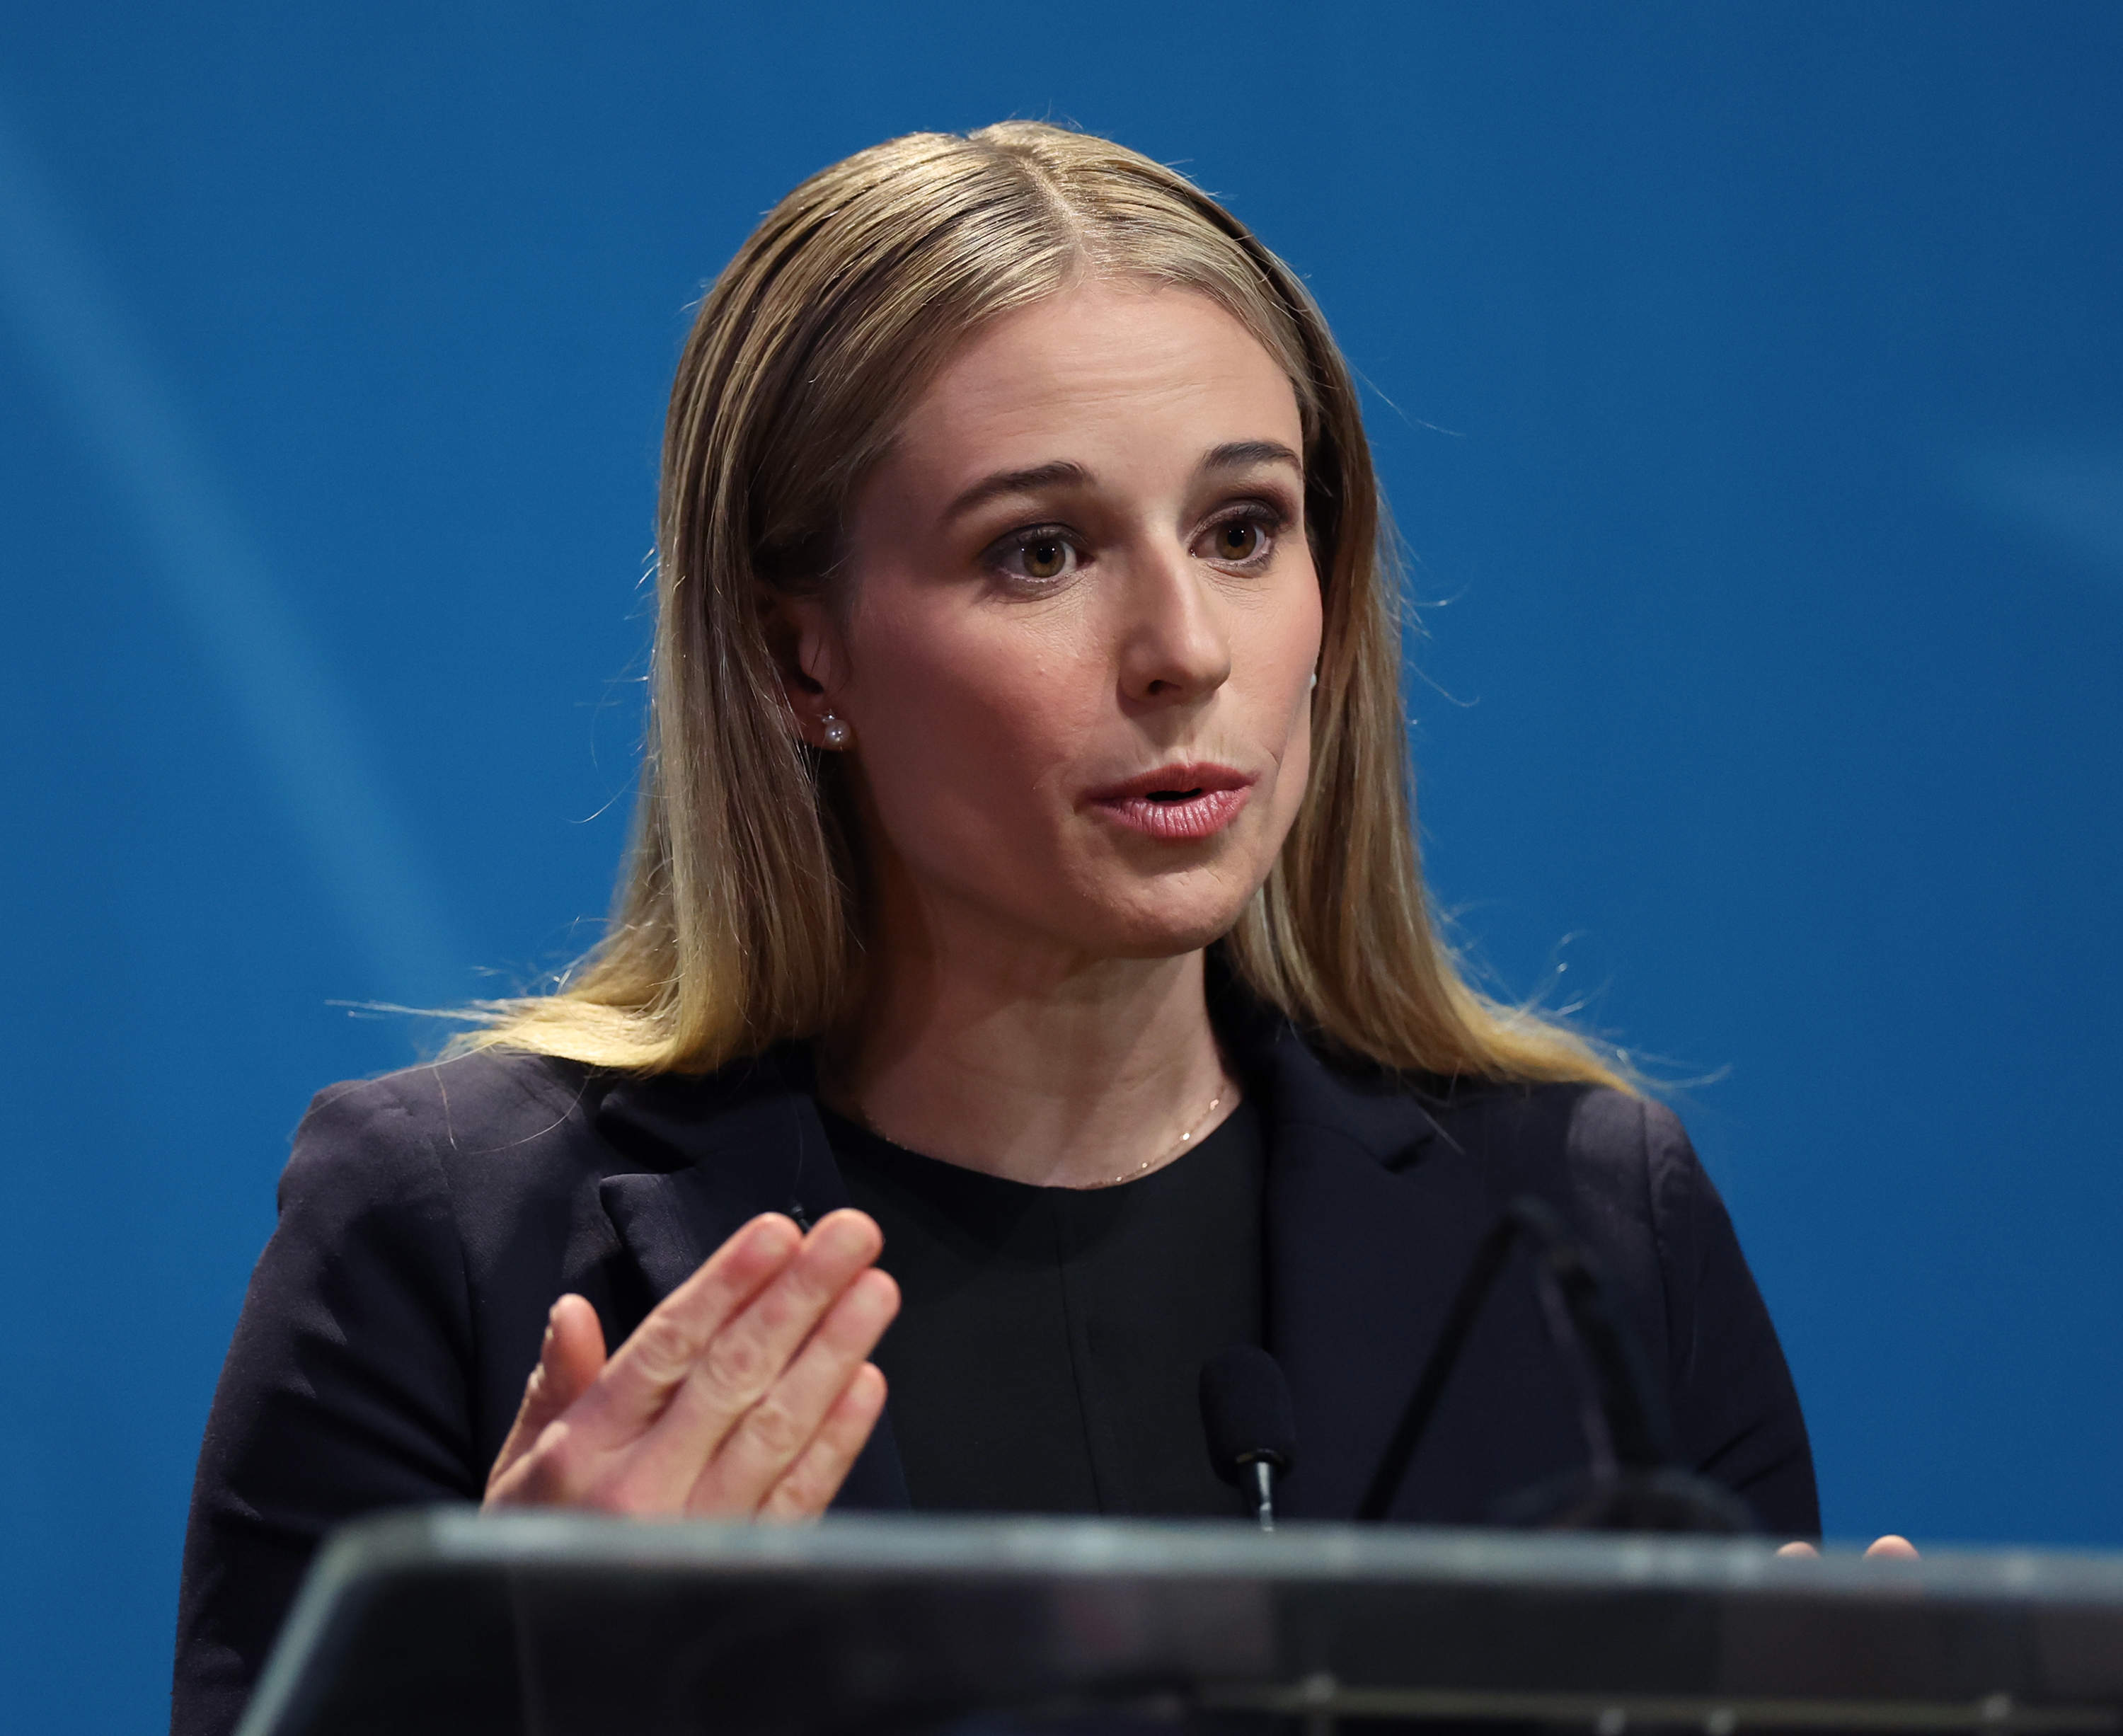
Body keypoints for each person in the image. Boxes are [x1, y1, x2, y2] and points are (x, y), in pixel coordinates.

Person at [171, 122, 1824, 1735]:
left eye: (1244, 531)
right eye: (1041, 552)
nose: (1184, 649)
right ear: (800, 656)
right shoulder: (460, 1241)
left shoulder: (1593, 1233)